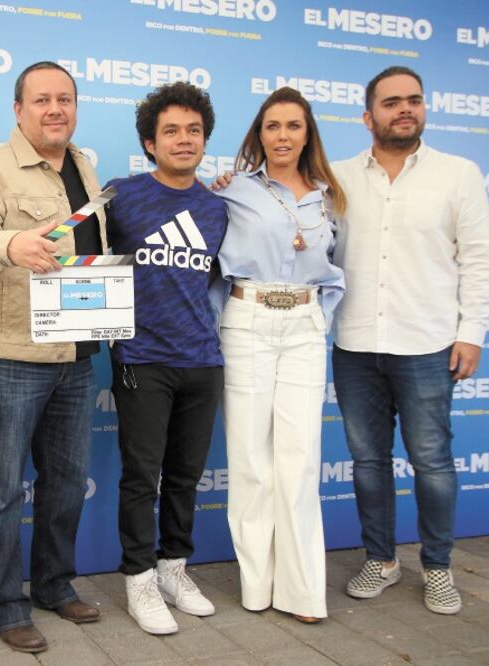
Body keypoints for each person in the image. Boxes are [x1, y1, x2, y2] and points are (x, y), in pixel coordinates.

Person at [332, 66, 489, 615]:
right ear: (368, 116)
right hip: (356, 345)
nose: (404, 109)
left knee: (432, 462)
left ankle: (438, 567)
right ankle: (380, 560)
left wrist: (471, 333)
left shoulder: (458, 174)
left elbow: (478, 258)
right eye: (391, 102)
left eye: (414, 100)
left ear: (423, 109)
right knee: (368, 463)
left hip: (428, 344)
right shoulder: (337, 178)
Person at [0, 61, 105, 653]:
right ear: (18, 109)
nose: (55, 109)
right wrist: (10, 245)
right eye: (41, 99)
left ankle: (53, 584)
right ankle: (6, 604)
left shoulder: (85, 167)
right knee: (0, 490)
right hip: (9, 354)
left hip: (75, 350)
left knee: (66, 482)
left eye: (64, 99)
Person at [214, 86, 346, 624]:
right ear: (259, 134)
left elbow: (342, 267)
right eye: (273, 126)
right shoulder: (232, 190)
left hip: (304, 328)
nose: (283, 135)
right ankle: (256, 586)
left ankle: (302, 592)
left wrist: (319, 318)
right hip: (246, 321)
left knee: (298, 460)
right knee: (250, 461)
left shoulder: (330, 196)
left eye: (293, 126)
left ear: (307, 132)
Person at [103, 82, 227, 635]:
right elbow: (74, 256)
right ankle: (139, 578)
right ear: (150, 143)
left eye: (193, 131)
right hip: (142, 359)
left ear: (205, 140)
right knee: (141, 476)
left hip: (203, 359)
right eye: (171, 131)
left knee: (185, 476)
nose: (184, 140)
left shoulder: (217, 208)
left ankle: (174, 568)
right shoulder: (119, 196)